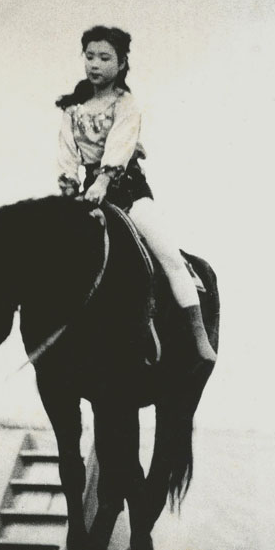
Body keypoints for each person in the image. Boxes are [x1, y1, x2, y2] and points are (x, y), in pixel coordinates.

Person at [57, 25, 216, 371]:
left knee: (168, 255)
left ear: (121, 63)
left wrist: (104, 180)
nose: (95, 64)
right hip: (89, 195)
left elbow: (120, 145)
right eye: (90, 56)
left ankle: (197, 334)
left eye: (104, 58)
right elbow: (67, 151)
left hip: (127, 192)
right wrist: (68, 185)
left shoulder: (126, 105)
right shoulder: (73, 109)